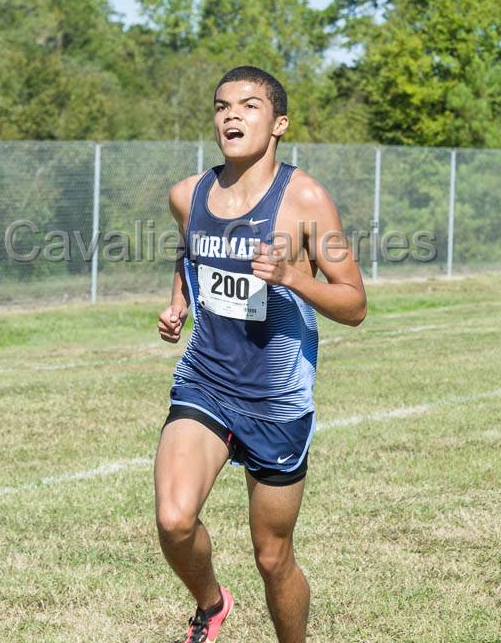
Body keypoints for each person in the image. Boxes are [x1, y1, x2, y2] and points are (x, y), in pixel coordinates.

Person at [154, 65, 367, 642]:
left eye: (248, 106)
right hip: (206, 380)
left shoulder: (305, 199)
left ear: (278, 123)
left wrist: (296, 276)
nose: (231, 116)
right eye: (222, 106)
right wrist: (179, 303)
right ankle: (211, 602)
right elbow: (189, 254)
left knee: (272, 558)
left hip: (276, 399)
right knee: (174, 520)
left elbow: (354, 304)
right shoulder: (188, 194)